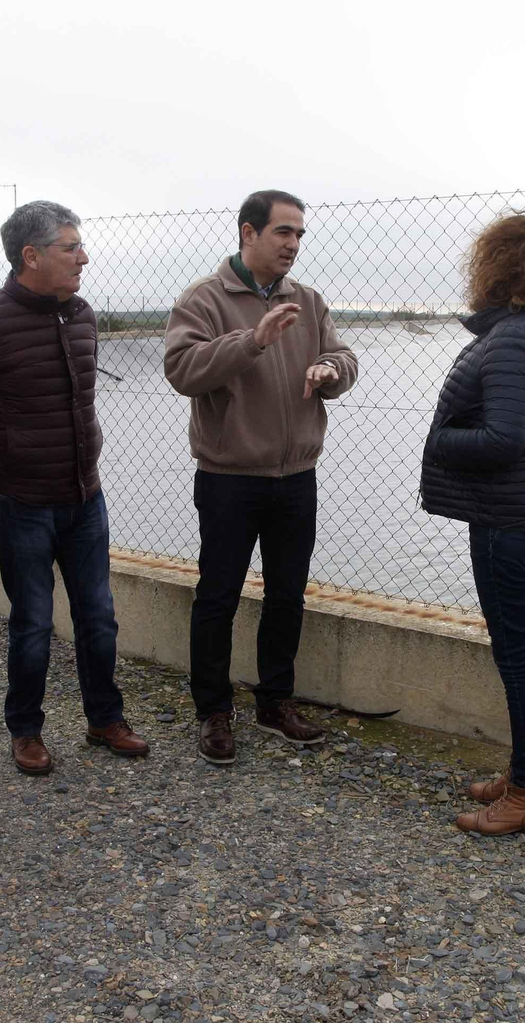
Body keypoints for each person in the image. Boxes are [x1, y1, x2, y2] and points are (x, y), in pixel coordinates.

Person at [0, 200, 149, 775]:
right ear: (31, 256)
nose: (84, 258)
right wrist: (2, 461)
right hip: (21, 501)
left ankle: (105, 719)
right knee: (32, 621)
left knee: (98, 616)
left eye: (81, 246)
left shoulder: (82, 316)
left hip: (85, 496)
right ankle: (25, 730)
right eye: (70, 248)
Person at [163, 190, 359, 765]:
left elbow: (345, 357)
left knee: (287, 595)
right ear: (248, 233)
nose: (293, 244)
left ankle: (274, 702)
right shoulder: (204, 298)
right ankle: (213, 711)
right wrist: (252, 341)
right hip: (229, 477)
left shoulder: (308, 299)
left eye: (299, 234)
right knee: (218, 596)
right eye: (283, 232)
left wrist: (330, 369)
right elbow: (182, 370)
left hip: (296, 475)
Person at [421, 212, 525, 836]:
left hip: (513, 519)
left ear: (500, 268)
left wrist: (439, 438)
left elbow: (503, 440)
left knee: (518, 655)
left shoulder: (515, 339)